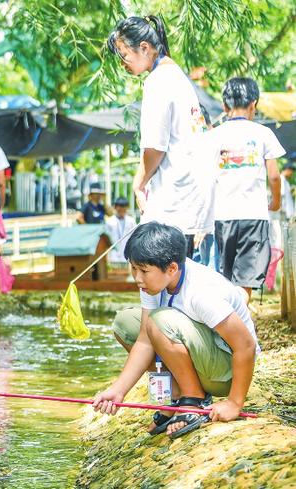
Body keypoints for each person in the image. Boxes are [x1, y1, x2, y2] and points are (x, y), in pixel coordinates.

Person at [94, 222, 259, 439]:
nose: (137, 278)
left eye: (143, 270)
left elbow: (246, 345)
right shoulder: (153, 283)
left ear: (171, 268)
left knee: (158, 320)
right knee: (125, 323)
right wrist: (119, 390)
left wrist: (235, 403)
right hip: (200, 356)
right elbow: (144, 340)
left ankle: (193, 400)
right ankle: (177, 395)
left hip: (225, 371)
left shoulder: (201, 292)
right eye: (133, 268)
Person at [107, 15, 211, 256]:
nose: (122, 64)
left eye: (124, 55)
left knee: (161, 281)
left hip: (174, 202)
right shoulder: (177, 76)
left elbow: (155, 147)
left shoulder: (158, 81)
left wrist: (139, 183)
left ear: (144, 48)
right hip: (192, 198)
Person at [209, 77, 285, 300]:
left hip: (222, 217)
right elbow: (274, 175)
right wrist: (276, 202)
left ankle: (226, 327)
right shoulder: (264, 134)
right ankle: (237, 326)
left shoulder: (214, 136)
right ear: (254, 104)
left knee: (226, 279)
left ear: (224, 106)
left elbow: (205, 177)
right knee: (245, 282)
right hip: (254, 216)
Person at [106, 197, 137, 264]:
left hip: (127, 255)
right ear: (115, 207)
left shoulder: (131, 221)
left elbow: (135, 238)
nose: (122, 209)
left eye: (124, 207)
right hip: (113, 256)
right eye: (120, 207)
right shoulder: (109, 221)